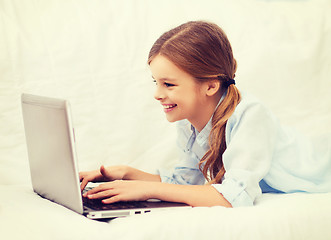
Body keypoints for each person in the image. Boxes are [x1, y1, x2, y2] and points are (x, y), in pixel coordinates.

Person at [80, 21, 331, 208]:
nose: (157, 94)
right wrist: (126, 173)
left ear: (210, 86)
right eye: (155, 82)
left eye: (168, 84)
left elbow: (234, 197)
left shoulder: (250, 115)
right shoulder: (189, 121)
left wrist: (143, 190)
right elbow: (185, 182)